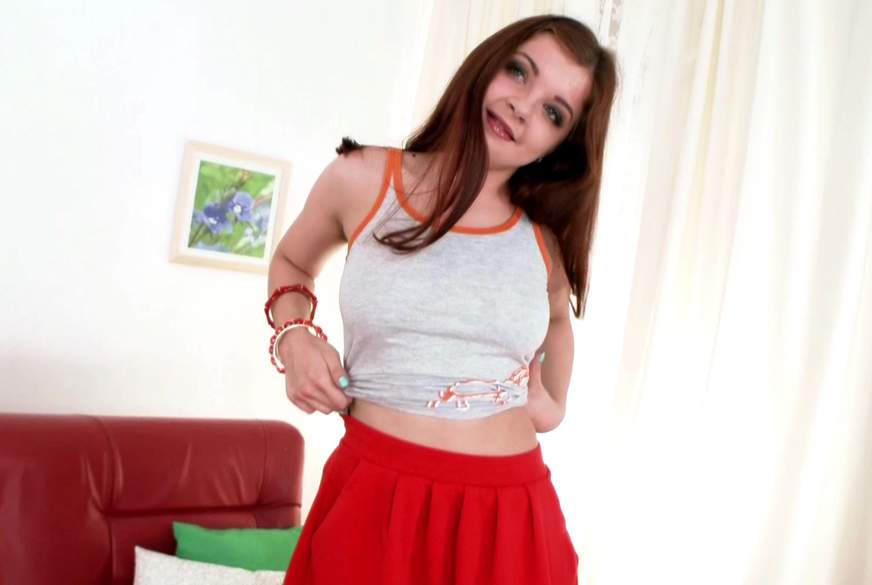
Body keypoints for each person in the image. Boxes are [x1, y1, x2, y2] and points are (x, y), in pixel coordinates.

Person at [266, 14, 617, 585]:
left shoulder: (541, 239)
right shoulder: (362, 179)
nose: (522, 106)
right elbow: (291, 262)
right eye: (519, 72)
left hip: (509, 520)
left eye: (554, 112)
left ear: (560, 146)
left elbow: (558, 318)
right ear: (487, 63)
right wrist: (295, 338)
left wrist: (553, 402)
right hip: (376, 501)